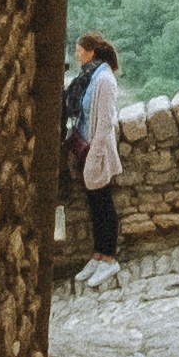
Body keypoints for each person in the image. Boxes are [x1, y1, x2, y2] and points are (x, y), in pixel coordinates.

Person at [69, 32, 123, 287]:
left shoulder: (104, 79)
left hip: (96, 151)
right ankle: (97, 256)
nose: (76, 54)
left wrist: (94, 157)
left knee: (104, 205)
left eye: (78, 50)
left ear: (90, 52)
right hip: (86, 148)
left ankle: (109, 259)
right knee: (94, 204)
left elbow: (105, 124)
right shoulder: (91, 76)